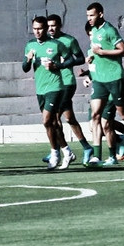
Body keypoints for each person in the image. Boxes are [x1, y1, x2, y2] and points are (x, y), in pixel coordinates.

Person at [84, 2, 124, 166]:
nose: (89, 18)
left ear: (100, 14)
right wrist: (92, 56)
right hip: (99, 80)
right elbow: (96, 50)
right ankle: (98, 156)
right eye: (87, 16)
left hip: (114, 78)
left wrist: (102, 53)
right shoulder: (94, 31)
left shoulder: (109, 30)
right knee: (96, 117)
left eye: (92, 15)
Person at [23, 16, 72, 170]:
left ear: (45, 29)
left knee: (46, 120)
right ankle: (64, 151)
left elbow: (71, 59)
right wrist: (28, 60)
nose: (37, 31)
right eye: (35, 29)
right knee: (53, 123)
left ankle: (56, 152)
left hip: (55, 87)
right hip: (40, 89)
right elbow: (25, 68)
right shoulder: (30, 45)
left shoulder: (56, 44)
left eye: (40, 28)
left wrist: (57, 65)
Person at [45, 14, 95, 164]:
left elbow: (80, 58)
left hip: (66, 83)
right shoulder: (45, 42)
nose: (51, 28)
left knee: (54, 119)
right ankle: (86, 147)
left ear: (60, 25)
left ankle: (62, 151)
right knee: (69, 118)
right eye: (49, 26)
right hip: (52, 84)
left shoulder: (69, 40)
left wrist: (63, 63)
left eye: (54, 25)